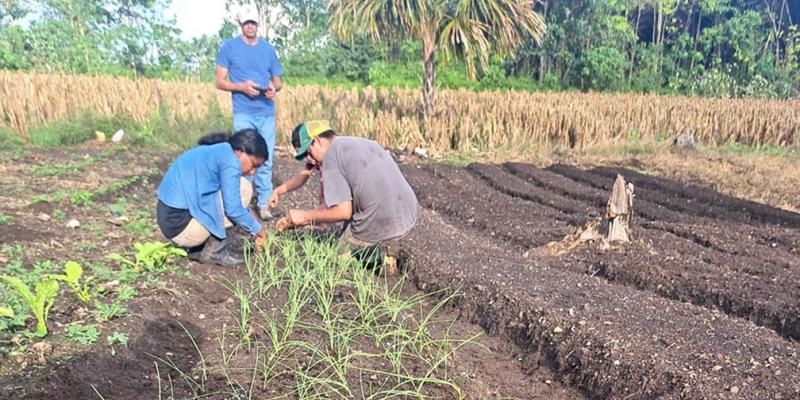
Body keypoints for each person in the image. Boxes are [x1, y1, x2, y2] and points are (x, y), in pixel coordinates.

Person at [275, 121, 419, 275]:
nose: (309, 160)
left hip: (380, 217)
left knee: (339, 259)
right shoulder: (360, 142)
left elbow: (343, 211)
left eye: (308, 152)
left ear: (316, 140)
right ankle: (387, 240)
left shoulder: (331, 154)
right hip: (409, 211)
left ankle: (381, 253)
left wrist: (304, 217)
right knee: (349, 222)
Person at [156, 129, 269, 268]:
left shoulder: (221, 150)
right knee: (244, 189)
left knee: (239, 187)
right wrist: (259, 230)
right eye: (254, 164)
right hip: (180, 227)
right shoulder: (231, 161)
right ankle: (215, 251)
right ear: (240, 151)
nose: (253, 171)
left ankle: (198, 249)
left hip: (169, 220)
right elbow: (233, 209)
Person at [215, 7, 284, 221]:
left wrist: (274, 87)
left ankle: (263, 203)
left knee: (266, 158)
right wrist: (242, 87)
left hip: (266, 111)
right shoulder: (229, 47)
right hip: (243, 111)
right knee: (241, 157)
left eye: (253, 22)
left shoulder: (268, 49)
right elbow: (219, 81)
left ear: (258, 24)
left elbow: (278, 79)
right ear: (241, 25)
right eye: (247, 23)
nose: (250, 26)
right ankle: (240, 202)